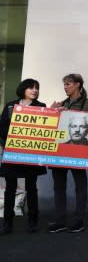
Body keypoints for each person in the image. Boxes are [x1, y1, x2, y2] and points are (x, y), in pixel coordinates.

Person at [48, 73, 88, 234]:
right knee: (59, 187)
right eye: (65, 84)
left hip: (77, 151)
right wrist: (52, 112)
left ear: (77, 85)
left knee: (80, 185)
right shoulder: (62, 103)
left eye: (68, 84)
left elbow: (85, 120)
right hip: (59, 150)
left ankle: (79, 220)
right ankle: (60, 220)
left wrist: (63, 112)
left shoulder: (87, 103)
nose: (65, 87)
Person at [1, 79, 47, 234]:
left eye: (37, 88)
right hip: (12, 151)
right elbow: (2, 127)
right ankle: (7, 222)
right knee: (10, 188)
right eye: (31, 87)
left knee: (31, 187)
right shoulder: (10, 106)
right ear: (23, 89)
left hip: (31, 153)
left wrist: (53, 113)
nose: (34, 90)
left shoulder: (41, 107)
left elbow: (46, 129)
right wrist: (6, 142)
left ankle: (33, 220)